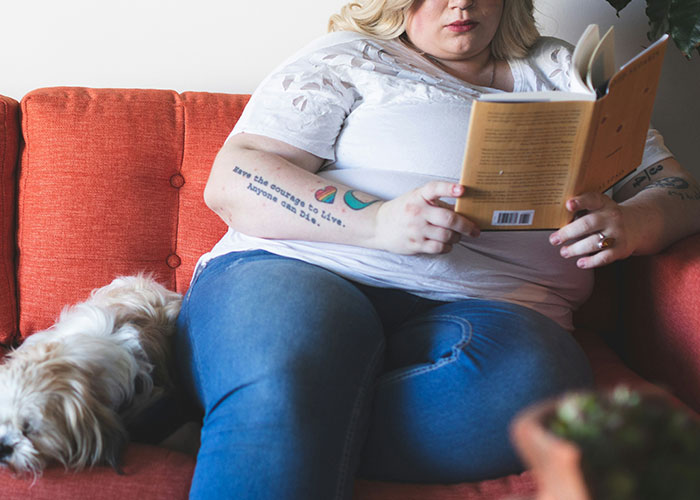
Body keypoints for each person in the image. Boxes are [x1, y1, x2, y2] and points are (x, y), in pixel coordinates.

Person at [174, 1, 700, 499]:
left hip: (500, 310)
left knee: (529, 384)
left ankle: (249, 415)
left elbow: (681, 192)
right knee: (293, 352)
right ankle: (264, 402)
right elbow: (235, 178)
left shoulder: (564, 71)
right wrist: (376, 220)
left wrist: (632, 221)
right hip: (307, 268)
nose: (461, 4)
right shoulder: (348, 57)